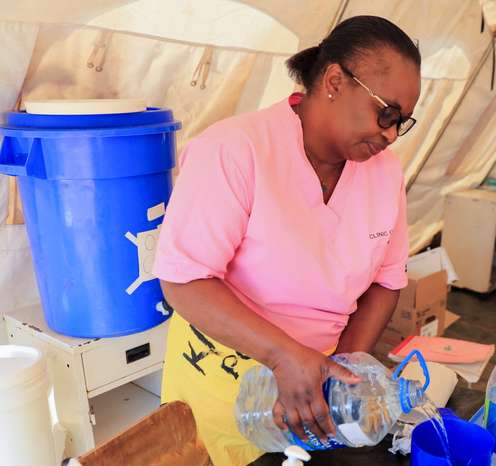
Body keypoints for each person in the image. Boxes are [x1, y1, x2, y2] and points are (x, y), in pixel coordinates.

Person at [152, 16, 421, 465]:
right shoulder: (235, 150)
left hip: (316, 391)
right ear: (335, 80)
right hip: (231, 389)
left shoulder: (385, 173)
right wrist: (282, 357)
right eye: (387, 113)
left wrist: (344, 374)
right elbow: (184, 280)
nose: (392, 134)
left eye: (403, 122)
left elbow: (387, 281)